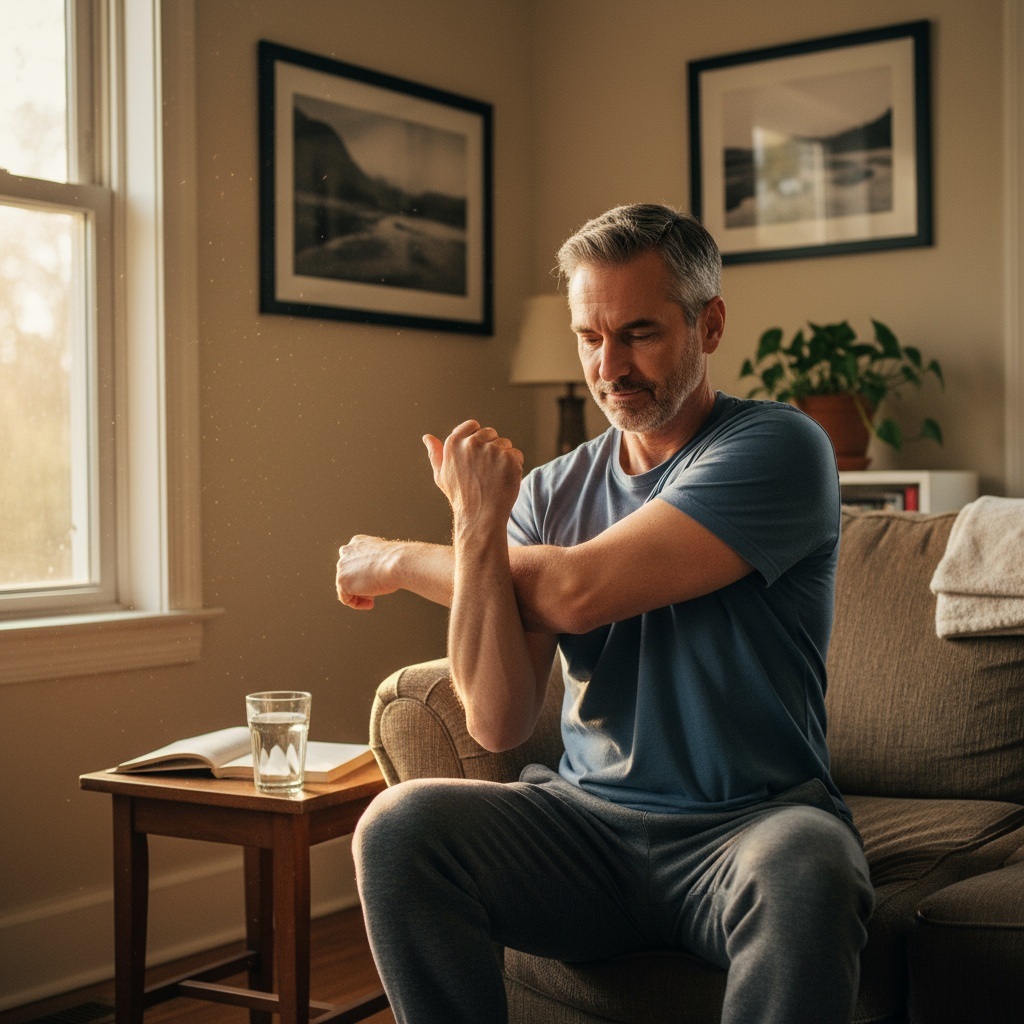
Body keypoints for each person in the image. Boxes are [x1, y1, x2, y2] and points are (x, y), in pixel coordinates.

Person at [336, 203, 874, 1024]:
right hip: (586, 831)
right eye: (590, 337)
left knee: (812, 863)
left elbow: (572, 590)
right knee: (399, 827)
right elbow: (496, 719)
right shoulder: (550, 492)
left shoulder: (779, 447)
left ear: (711, 323)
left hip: (752, 829)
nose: (609, 365)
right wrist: (475, 525)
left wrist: (402, 560)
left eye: (640, 333)